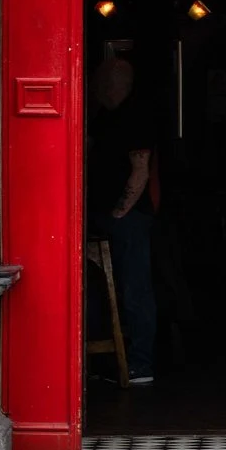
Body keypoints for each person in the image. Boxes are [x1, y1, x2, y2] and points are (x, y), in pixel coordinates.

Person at [86, 41, 160, 386]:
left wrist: (118, 212)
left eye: (103, 82)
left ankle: (141, 364)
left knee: (134, 289)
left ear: (118, 85)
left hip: (128, 218)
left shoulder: (135, 115)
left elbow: (140, 169)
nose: (97, 88)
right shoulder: (106, 116)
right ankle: (112, 362)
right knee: (108, 290)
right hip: (107, 215)